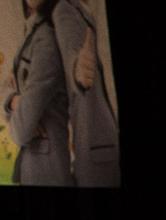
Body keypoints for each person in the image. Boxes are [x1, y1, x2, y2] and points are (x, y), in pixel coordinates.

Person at [3, 0, 71, 186]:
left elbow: (20, 132)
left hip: (48, 169)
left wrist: (16, 114)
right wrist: (15, 101)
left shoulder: (46, 39)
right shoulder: (32, 34)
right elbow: (5, 88)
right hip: (33, 164)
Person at [50, 0, 118, 186]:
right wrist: (77, 71)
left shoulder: (88, 8)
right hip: (96, 147)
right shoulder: (65, 8)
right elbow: (70, 51)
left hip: (106, 140)